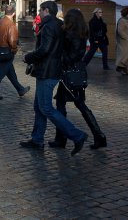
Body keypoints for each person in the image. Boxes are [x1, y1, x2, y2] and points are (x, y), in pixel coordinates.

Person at [20, 0, 88, 155]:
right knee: (39, 107)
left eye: (40, 10)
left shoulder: (49, 26)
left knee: (46, 108)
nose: (38, 13)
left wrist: (28, 57)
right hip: (51, 70)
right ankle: (37, 139)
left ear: (46, 10)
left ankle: (77, 135)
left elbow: (45, 49)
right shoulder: (58, 24)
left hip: (47, 71)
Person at [48, 8, 107, 150]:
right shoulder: (81, 33)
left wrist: (60, 56)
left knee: (63, 105)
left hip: (70, 74)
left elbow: (71, 56)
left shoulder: (70, 34)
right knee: (79, 105)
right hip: (78, 73)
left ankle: (61, 138)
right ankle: (99, 136)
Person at [0, 4, 31, 100]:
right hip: (7, 51)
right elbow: (12, 40)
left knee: (10, 72)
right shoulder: (11, 24)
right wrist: (14, 50)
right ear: (14, 13)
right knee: (0, 73)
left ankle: (20, 89)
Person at [115, 7, 128, 76]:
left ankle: (124, 70)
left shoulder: (127, 20)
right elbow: (120, 31)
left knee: (127, 56)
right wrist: (126, 38)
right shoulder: (122, 21)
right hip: (124, 42)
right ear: (126, 14)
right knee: (124, 56)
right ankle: (119, 68)